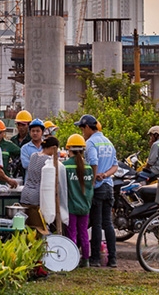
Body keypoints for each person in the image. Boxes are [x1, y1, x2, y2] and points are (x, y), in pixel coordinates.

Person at [77, 114, 118, 268]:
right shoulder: (108, 142)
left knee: (96, 223)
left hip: (98, 189)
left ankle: (94, 258)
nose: (82, 133)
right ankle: (112, 259)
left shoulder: (90, 143)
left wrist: (93, 180)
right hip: (109, 186)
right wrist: (105, 175)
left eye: (82, 129)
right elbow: (115, 166)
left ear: (88, 127)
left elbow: (93, 161)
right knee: (108, 223)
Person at [19, 136, 67, 232]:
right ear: (53, 148)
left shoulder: (33, 155)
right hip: (37, 197)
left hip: (25, 194)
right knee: (38, 228)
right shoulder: (48, 161)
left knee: (27, 227)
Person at [64, 134, 93, 267]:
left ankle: (72, 260)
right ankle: (86, 260)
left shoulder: (65, 166)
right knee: (84, 234)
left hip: (71, 206)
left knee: (72, 234)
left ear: (68, 149)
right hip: (85, 206)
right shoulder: (88, 168)